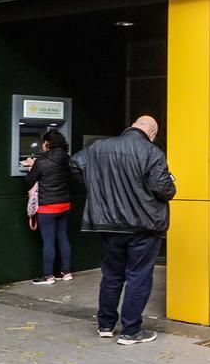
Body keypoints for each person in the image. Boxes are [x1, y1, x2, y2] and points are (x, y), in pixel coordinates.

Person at [70, 116, 176, 345]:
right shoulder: (151, 152)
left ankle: (105, 325)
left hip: (108, 224)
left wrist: (96, 185)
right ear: (153, 132)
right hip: (142, 225)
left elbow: (74, 164)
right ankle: (131, 331)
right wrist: (171, 183)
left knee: (111, 275)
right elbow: (163, 189)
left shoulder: (98, 147)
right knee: (139, 276)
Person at [23, 129, 73, 285]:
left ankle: (48, 275)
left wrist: (31, 166)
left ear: (47, 143)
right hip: (64, 204)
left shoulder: (42, 161)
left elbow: (30, 181)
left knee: (48, 241)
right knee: (63, 238)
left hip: (48, 207)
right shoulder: (68, 159)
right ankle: (66, 272)